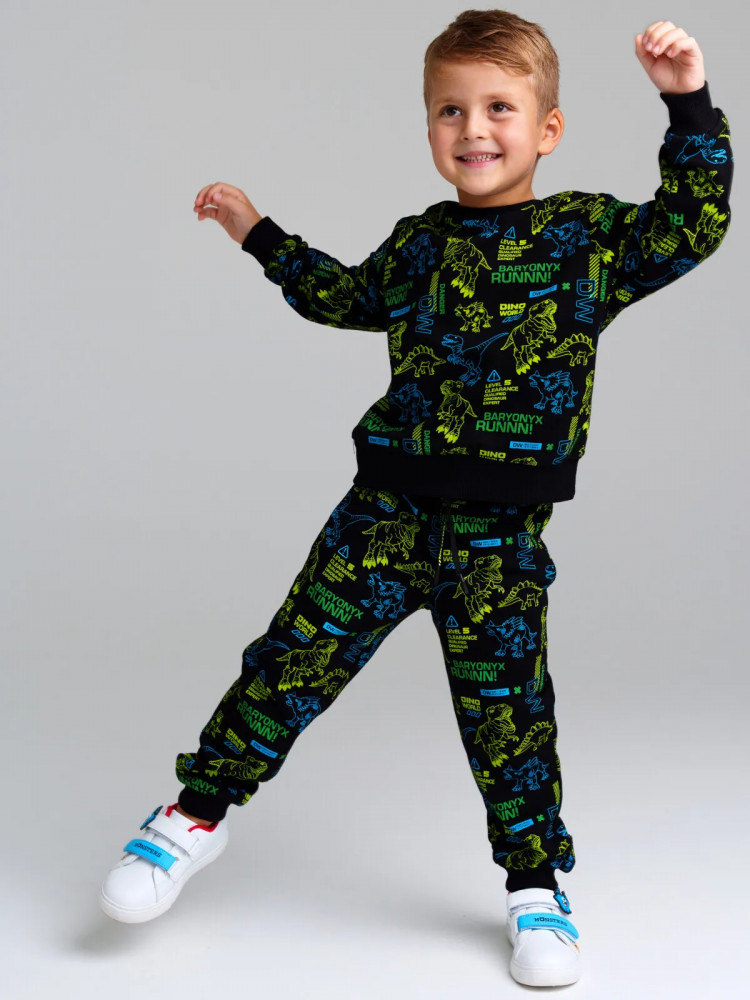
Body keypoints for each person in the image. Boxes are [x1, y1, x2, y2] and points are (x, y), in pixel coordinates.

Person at [99, 9, 732, 988]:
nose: (473, 129)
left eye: (499, 109)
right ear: (430, 126)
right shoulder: (419, 245)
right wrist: (257, 232)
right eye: (450, 110)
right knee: (288, 665)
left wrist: (687, 102)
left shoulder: (588, 238)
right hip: (383, 515)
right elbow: (343, 296)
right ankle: (194, 815)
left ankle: (536, 887)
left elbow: (695, 223)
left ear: (548, 130)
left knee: (509, 717)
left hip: (498, 537)